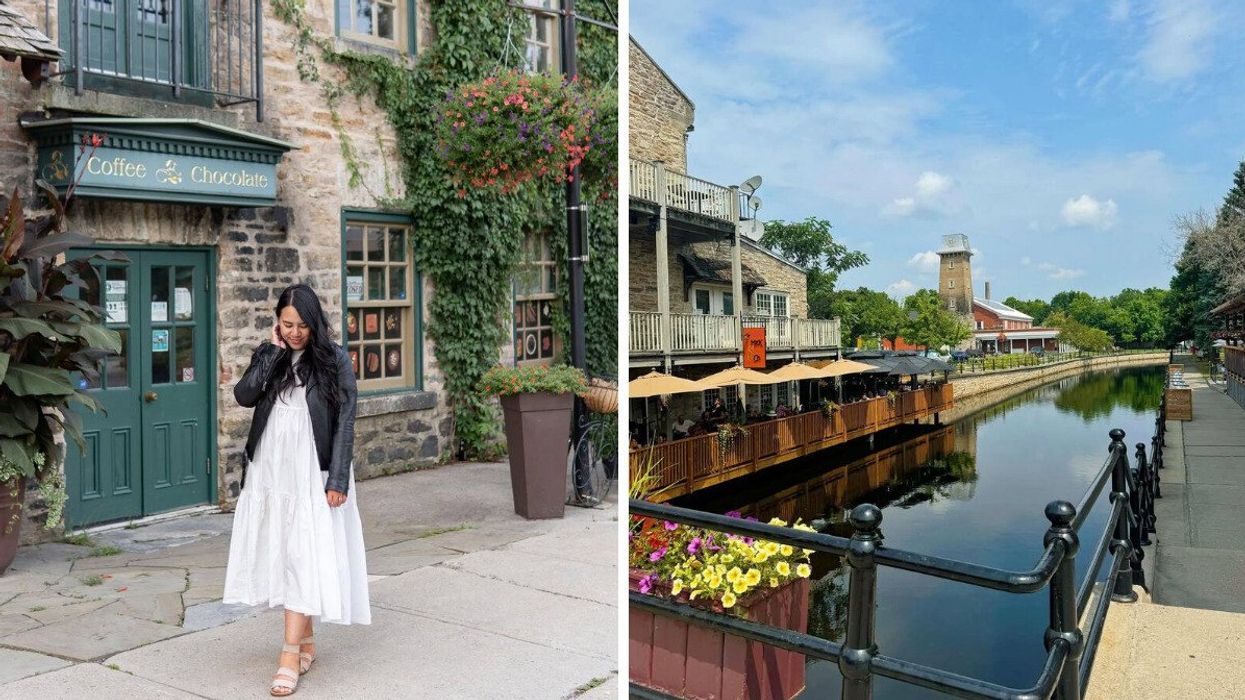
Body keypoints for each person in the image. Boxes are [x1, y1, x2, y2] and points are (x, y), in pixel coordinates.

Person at [223, 284, 371, 697]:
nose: (294, 332)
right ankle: (305, 641)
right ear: (277, 322)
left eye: (302, 325)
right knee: (286, 550)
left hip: (312, 468)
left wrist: (337, 479)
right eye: (287, 324)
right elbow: (244, 396)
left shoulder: (334, 359)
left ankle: (289, 654)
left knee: (304, 553)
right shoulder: (270, 354)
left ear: (315, 323)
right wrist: (272, 353)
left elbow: (346, 419)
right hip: (272, 466)